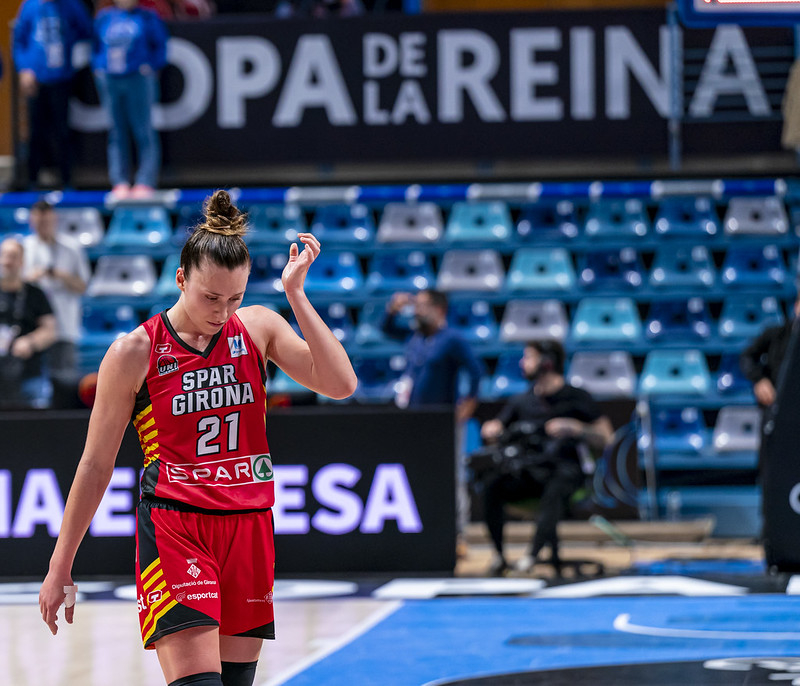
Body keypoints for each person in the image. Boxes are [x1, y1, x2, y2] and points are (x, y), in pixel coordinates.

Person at [39, 190, 357, 686]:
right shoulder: (135, 351)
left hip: (248, 524)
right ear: (181, 279)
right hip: (176, 525)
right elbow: (95, 465)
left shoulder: (257, 328)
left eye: (235, 298)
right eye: (211, 297)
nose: (222, 311)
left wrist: (296, 294)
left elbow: (341, 384)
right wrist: (61, 563)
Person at [477, 340, 613, 577]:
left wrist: (576, 428)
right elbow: (497, 429)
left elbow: (606, 437)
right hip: (530, 472)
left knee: (556, 486)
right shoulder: (521, 401)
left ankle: (531, 557)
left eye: (528, 357)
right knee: (491, 483)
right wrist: (492, 430)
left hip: (566, 471)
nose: (522, 363)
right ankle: (500, 556)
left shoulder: (576, 397)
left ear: (547, 362)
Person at [12, 0, 93, 190]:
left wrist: (69, 41)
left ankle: (67, 180)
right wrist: (24, 69)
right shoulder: (30, 6)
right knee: (35, 132)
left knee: (63, 131)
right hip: (36, 79)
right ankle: (32, 180)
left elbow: (86, 31)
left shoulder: (70, 5)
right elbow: (19, 40)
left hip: (62, 78)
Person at [92, 0, 169, 199]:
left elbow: (160, 45)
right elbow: (95, 46)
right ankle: (119, 181)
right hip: (111, 80)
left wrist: (150, 67)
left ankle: (146, 180)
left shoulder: (147, 17)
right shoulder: (105, 17)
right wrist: (99, 68)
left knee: (143, 129)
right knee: (116, 131)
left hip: (138, 79)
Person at [381, 289, 482, 419]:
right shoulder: (416, 336)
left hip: (441, 415)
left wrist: (469, 402)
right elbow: (387, 328)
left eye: (422, 305)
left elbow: (476, 371)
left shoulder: (451, 339)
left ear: (439, 309)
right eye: (416, 305)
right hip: (413, 412)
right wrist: (393, 309)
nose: (416, 311)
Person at [22, 199, 90, 388]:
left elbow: (83, 286)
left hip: (64, 324)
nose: (42, 225)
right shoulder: (24, 247)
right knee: (29, 380)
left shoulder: (72, 247)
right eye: (38, 221)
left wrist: (58, 274)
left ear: (54, 219)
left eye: (46, 221)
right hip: (33, 327)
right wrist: (31, 279)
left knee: (64, 381)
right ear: (31, 221)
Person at [739, 295, 800, 476]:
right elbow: (747, 357)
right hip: (777, 412)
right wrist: (759, 379)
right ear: (796, 306)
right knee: (773, 470)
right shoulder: (776, 334)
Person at [0, 237, 57, 408]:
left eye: (13, 256)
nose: (7, 261)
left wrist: (30, 342)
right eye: (4, 255)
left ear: (22, 261)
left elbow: (50, 330)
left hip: (29, 373)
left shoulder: (35, 293)